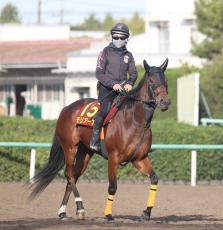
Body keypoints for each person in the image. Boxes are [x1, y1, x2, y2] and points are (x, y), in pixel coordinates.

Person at [90, 22, 138, 152]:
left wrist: (129, 83)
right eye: (116, 37)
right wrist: (113, 84)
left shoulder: (129, 55)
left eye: (122, 38)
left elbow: (133, 73)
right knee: (104, 111)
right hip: (106, 89)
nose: (118, 40)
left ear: (126, 39)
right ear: (112, 37)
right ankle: (94, 140)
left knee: (134, 110)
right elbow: (99, 73)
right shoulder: (104, 52)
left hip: (123, 90)